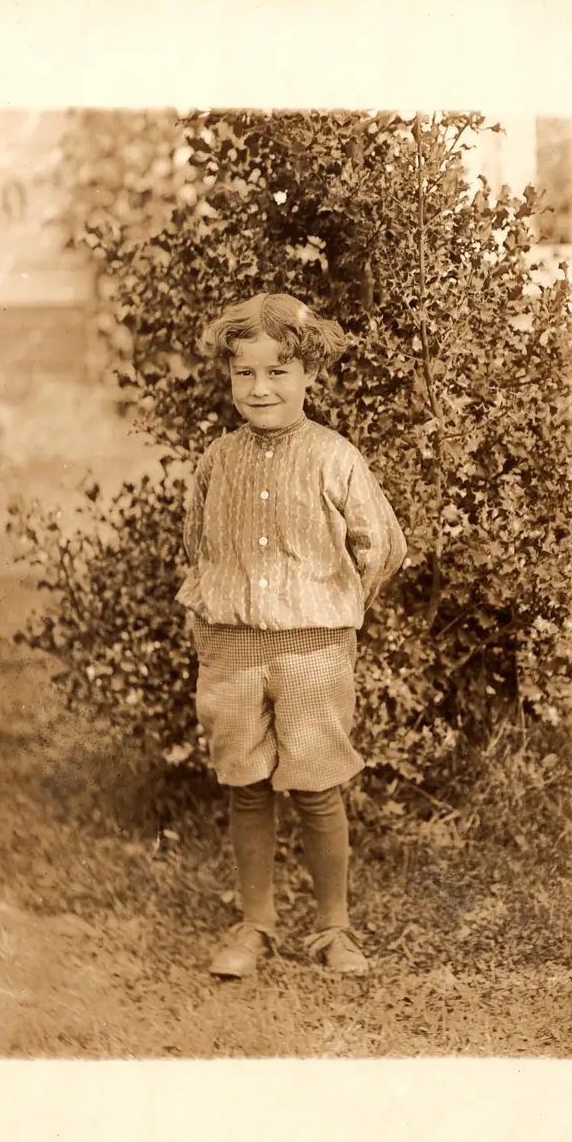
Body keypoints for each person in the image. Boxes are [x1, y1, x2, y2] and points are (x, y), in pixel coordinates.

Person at [177, 292, 407, 978]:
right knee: (246, 783)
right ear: (229, 377)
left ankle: (334, 929)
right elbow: (196, 543)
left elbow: (382, 545)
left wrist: (334, 605)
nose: (261, 387)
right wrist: (217, 609)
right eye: (244, 373)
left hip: (314, 650)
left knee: (315, 785)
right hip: (232, 647)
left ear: (308, 374)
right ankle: (256, 925)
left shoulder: (334, 457)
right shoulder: (217, 459)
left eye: (278, 371)